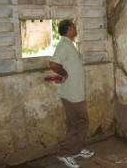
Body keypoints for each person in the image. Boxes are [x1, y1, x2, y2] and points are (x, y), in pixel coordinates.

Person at [49, 20, 94, 168]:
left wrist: (64, 74)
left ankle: (76, 149)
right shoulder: (64, 45)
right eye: (74, 27)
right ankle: (65, 153)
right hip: (72, 93)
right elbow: (54, 64)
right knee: (82, 122)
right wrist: (65, 74)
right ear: (69, 29)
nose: (76, 29)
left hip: (74, 91)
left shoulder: (68, 44)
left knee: (74, 123)